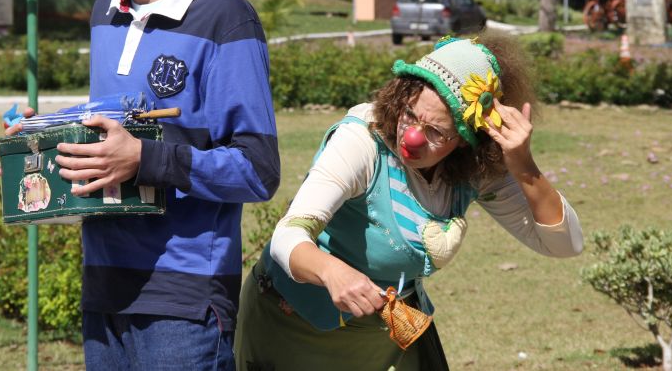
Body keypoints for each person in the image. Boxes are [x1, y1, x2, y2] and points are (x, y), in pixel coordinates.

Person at [0, 0, 279, 370]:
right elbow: (118, 122)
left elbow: (259, 171)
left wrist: (146, 160)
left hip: (185, 299)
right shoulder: (105, 10)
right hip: (104, 283)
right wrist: (43, 140)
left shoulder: (226, 17)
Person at [235, 33, 583, 370]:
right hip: (293, 332)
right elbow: (288, 235)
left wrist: (523, 167)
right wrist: (330, 271)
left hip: (381, 342)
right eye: (410, 115)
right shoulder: (362, 140)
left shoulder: (474, 167)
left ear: (465, 140)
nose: (412, 137)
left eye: (435, 132)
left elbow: (565, 244)